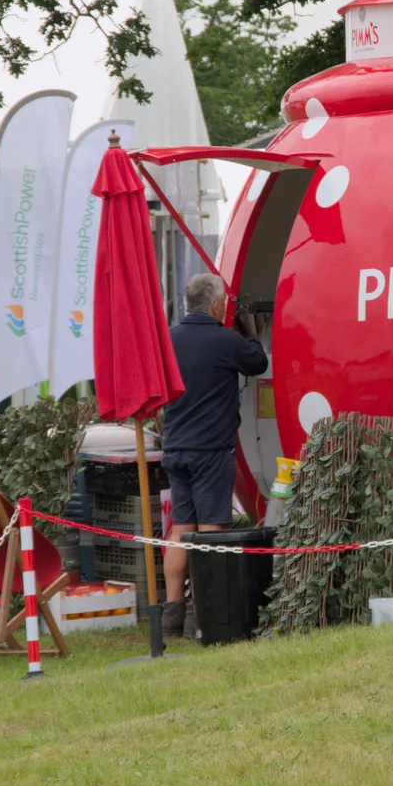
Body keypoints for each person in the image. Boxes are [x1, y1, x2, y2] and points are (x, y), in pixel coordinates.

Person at [160, 273, 270, 638]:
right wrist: (249, 332)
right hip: (210, 451)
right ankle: (203, 614)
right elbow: (257, 362)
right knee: (211, 529)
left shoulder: (168, 340)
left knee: (180, 529)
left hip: (174, 447)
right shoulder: (225, 341)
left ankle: (172, 616)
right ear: (217, 305)